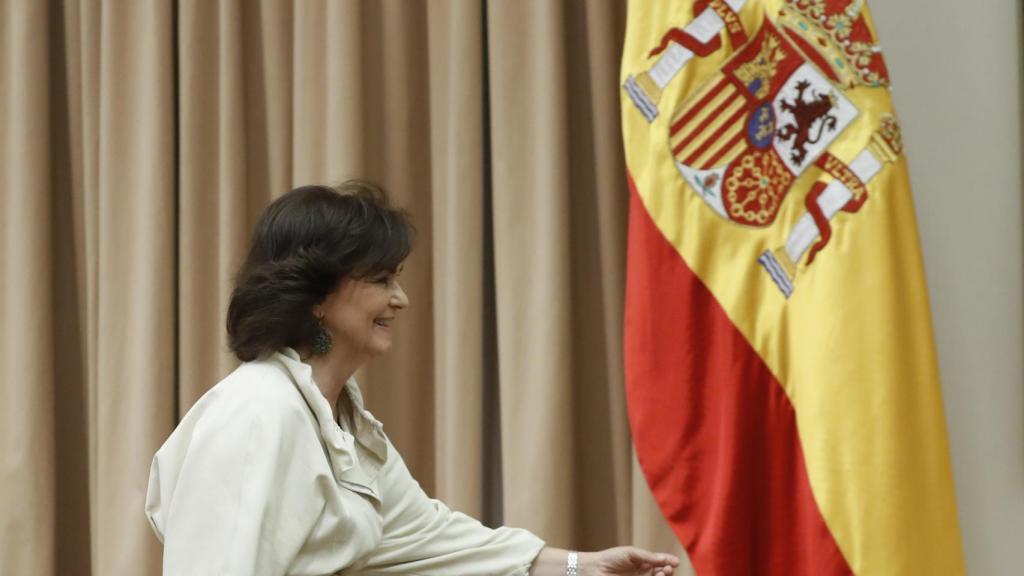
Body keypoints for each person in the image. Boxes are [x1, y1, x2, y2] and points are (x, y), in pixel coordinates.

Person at [145, 181, 681, 576]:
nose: (400, 299)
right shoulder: (260, 412)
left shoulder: (342, 419)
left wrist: (579, 566)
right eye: (380, 280)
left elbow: (428, 536)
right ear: (314, 297)